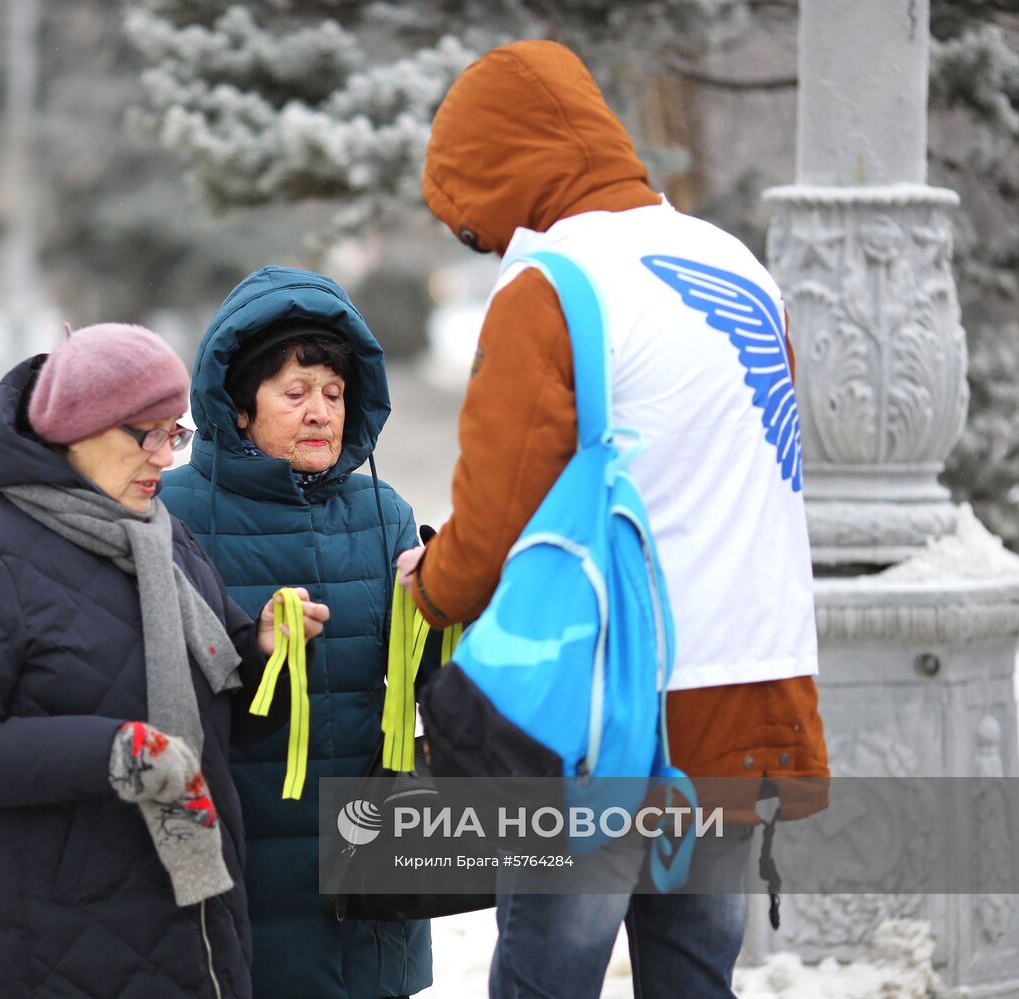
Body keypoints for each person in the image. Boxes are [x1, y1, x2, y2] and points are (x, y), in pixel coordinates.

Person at [397, 40, 829, 997]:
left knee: (549, 972)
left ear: (500, 169)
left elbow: (496, 519)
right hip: (749, 682)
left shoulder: (555, 281)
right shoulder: (737, 265)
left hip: (607, 707)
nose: (486, 243)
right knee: (695, 970)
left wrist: (430, 585)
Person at [0, 322, 329, 999]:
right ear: (78, 428)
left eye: (173, 433)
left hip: (196, 926)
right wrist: (113, 752)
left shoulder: (166, 538)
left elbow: (228, 722)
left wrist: (267, 653)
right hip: (58, 944)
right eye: (145, 434)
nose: (164, 455)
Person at [160, 266, 433, 999]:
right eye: (295, 393)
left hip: (371, 864)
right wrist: (254, 651)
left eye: (334, 394)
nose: (320, 413)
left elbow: (434, 683)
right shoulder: (171, 512)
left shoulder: (384, 512)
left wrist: (447, 606)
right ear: (239, 406)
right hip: (239, 856)